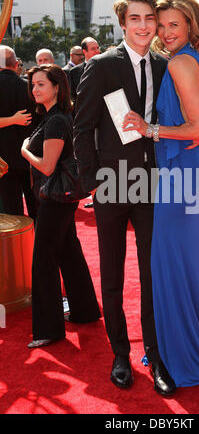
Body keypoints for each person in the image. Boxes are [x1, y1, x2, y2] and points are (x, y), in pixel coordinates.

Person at [73, 0, 175, 396]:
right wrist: (93, 182)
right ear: (122, 22)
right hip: (111, 185)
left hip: (150, 183)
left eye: (150, 18)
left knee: (152, 274)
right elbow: (82, 129)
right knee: (112, 274)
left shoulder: (165, 65)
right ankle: (120, 354)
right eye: (135, 18)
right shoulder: (100, 66)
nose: (144, 26)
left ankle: (154, 355)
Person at [123, 0, 199, 387]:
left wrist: (150, 129)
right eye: (160, 25)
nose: (164, 33)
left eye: (173, 25)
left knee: (175, 262)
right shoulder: (184, 60)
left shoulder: (181, 62)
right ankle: (186, 346)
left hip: (176, 174)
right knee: (179, 262)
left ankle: (185, 353)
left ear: (191, 26)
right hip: (177, 170)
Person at [21, 64, 101, 349]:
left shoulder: (56, 120)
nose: (35, 89)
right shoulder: (55, 116)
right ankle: (86, 310)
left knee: (43, 260)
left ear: (57, 87)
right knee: (69, 251)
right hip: (60, 197)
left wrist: (24, 150)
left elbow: (47, 165)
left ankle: (48, 330)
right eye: (33, 85)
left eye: (41, 84)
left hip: (54, 198)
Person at [0, 45, 39, 218]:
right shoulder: (32, 88)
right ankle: (39, 244)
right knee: (36, 208)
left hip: (3, 161)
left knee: (12, 212)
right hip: (30, 157)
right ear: (16, 64)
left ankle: (16, 245)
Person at [68, 37, 100, 103]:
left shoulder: (106, 66)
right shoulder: (74, 72)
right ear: (85, 52)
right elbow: (73, 96)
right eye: (93, 49)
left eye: (98, 48)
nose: (97, 51)